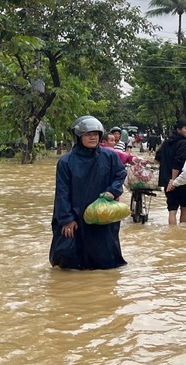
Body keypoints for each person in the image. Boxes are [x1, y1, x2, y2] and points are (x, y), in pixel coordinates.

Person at [49, 115, 128, 270]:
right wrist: (66, 219)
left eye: (96, 134)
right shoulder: (66, 162)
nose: (93, 137)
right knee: (70, 261)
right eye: (88, 134)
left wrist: (113, 191)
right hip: (75, 216)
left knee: (106, 262)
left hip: (102, 215)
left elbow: (120, 174)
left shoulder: (110, 156)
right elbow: (62, 193)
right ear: (79, 137)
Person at [157, 119, 186, 225]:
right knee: (184, 208)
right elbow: (178, 162)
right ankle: (182, 233)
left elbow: (158, 157)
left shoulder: (166, 142)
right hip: (181, 181)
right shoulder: (184, 143)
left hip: (167, 181)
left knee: (172, 210)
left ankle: (172, 232)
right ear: (178, 129)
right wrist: (173, 180)